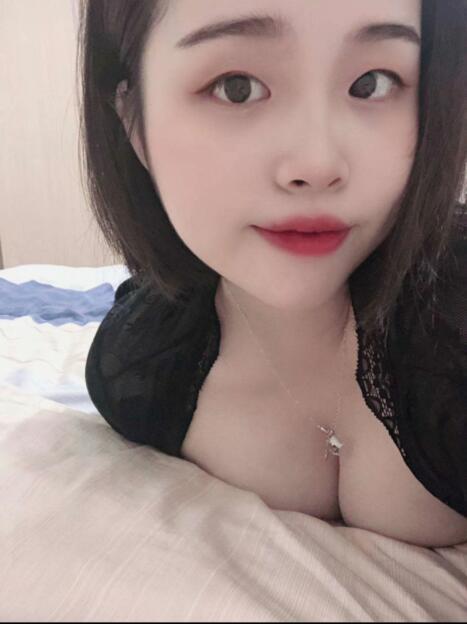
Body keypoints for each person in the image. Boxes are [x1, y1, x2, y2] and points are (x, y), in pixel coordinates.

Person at [79, 0, 467, 547]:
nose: (317, 165)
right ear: (133, 120)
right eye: (236, 87)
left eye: (372, 84)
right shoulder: (140, 370)